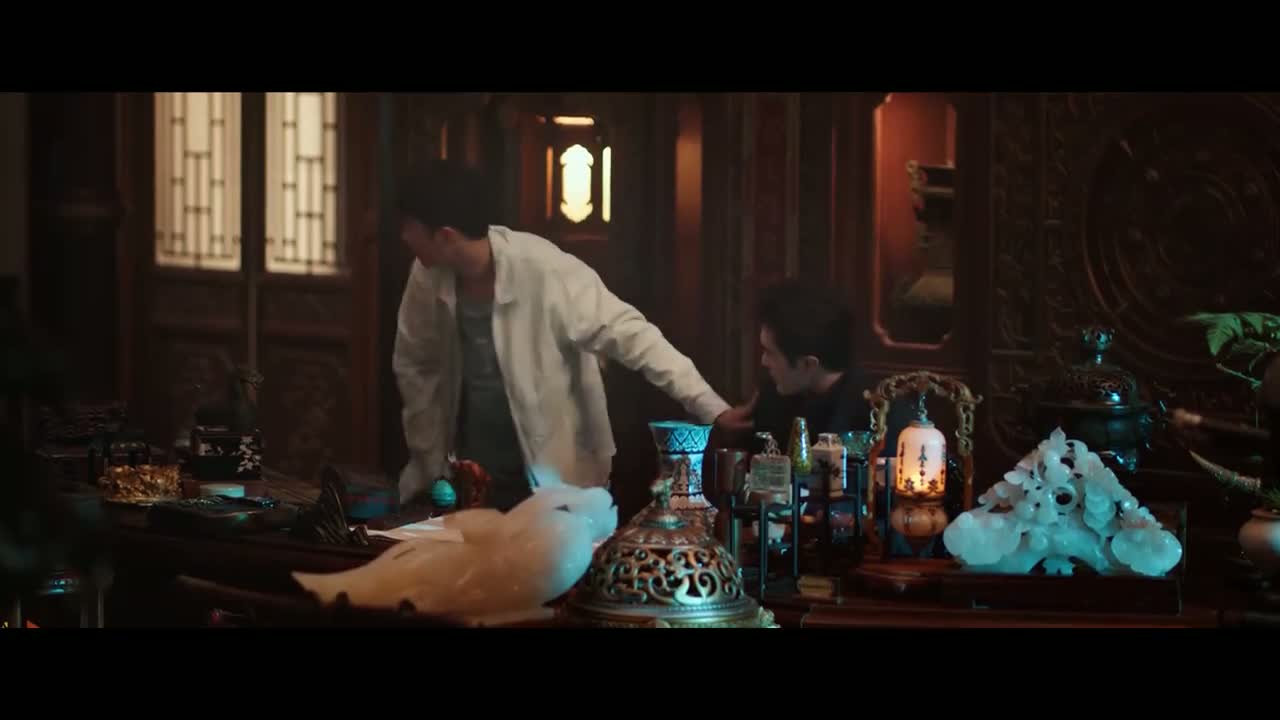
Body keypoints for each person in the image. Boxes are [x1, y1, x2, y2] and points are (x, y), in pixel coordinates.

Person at [393, 159, 748, 511]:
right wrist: (429, 463)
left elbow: (633, 336)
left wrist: (710, 406)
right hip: (470, 476)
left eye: (409, 227)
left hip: (552, 473)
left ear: (445, 236)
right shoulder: (427, 277)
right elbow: (415, 368)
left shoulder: (544, 270)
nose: (404, 237)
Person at [717, 280, 870, 446]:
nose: (763, 361)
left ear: (808, 364)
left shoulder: (868, 414)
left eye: (770, 353)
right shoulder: (772, 397)